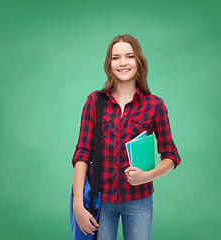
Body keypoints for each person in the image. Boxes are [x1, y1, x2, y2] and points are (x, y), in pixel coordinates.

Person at [71, 34, 181, 240]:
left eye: (129, 56)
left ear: (138, 61)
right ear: (109, 64)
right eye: (116, 57)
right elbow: (82, 154)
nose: (123, 63)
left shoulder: (155, 105)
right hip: (100, 201)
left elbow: (171, 156)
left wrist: (147, 176)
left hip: (139, 201)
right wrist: (78, 204)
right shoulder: (94, 101)